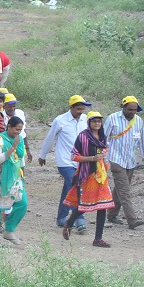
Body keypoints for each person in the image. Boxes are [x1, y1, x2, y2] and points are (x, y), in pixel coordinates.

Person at [62, 111, 115, 247]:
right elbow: (74, 156)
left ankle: (98, 238)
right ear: (89, 123)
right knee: (86, 204)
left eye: (99, 121)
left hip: (101, 175)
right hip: (87, 175)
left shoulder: (102, 136)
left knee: (103, 205)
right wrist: (91, 159)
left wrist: (106, 165)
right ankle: (69, 223)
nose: (97, 123)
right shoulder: (83, 137)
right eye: (94, 121)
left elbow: (105, 153)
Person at [38, 95, 90, 232]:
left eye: (82, 109)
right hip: (65, 161)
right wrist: (43, 155)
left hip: (80, 161)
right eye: (78, 109)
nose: (81, 111)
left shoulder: (85, 120)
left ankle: (61, 218)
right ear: (71, 107)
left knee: (68, 188)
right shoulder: (60, 120)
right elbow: (50, 138)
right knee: (75, 186)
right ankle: (79, 219)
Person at [104, 96, 144, 229]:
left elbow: (142, 142)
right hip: (115, 159)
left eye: (135, 110)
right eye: (130, 109)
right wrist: (102, 159)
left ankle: (112, 214)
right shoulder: (112, 119)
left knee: (120, 188)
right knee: (125, 191)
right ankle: (132, 220)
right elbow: (103, 139)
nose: (132, 112)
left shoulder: (139, 122)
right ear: (123, 107)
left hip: (130, 161)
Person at [0, 117, 27, 247]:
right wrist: (12, 147)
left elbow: (20, 157)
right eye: (16, 129)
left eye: (20, 130)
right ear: (9, 126)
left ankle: (9, 230)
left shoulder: (19, 139)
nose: (18, 132)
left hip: (14, 178)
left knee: (22, 203)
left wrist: (22, 171)